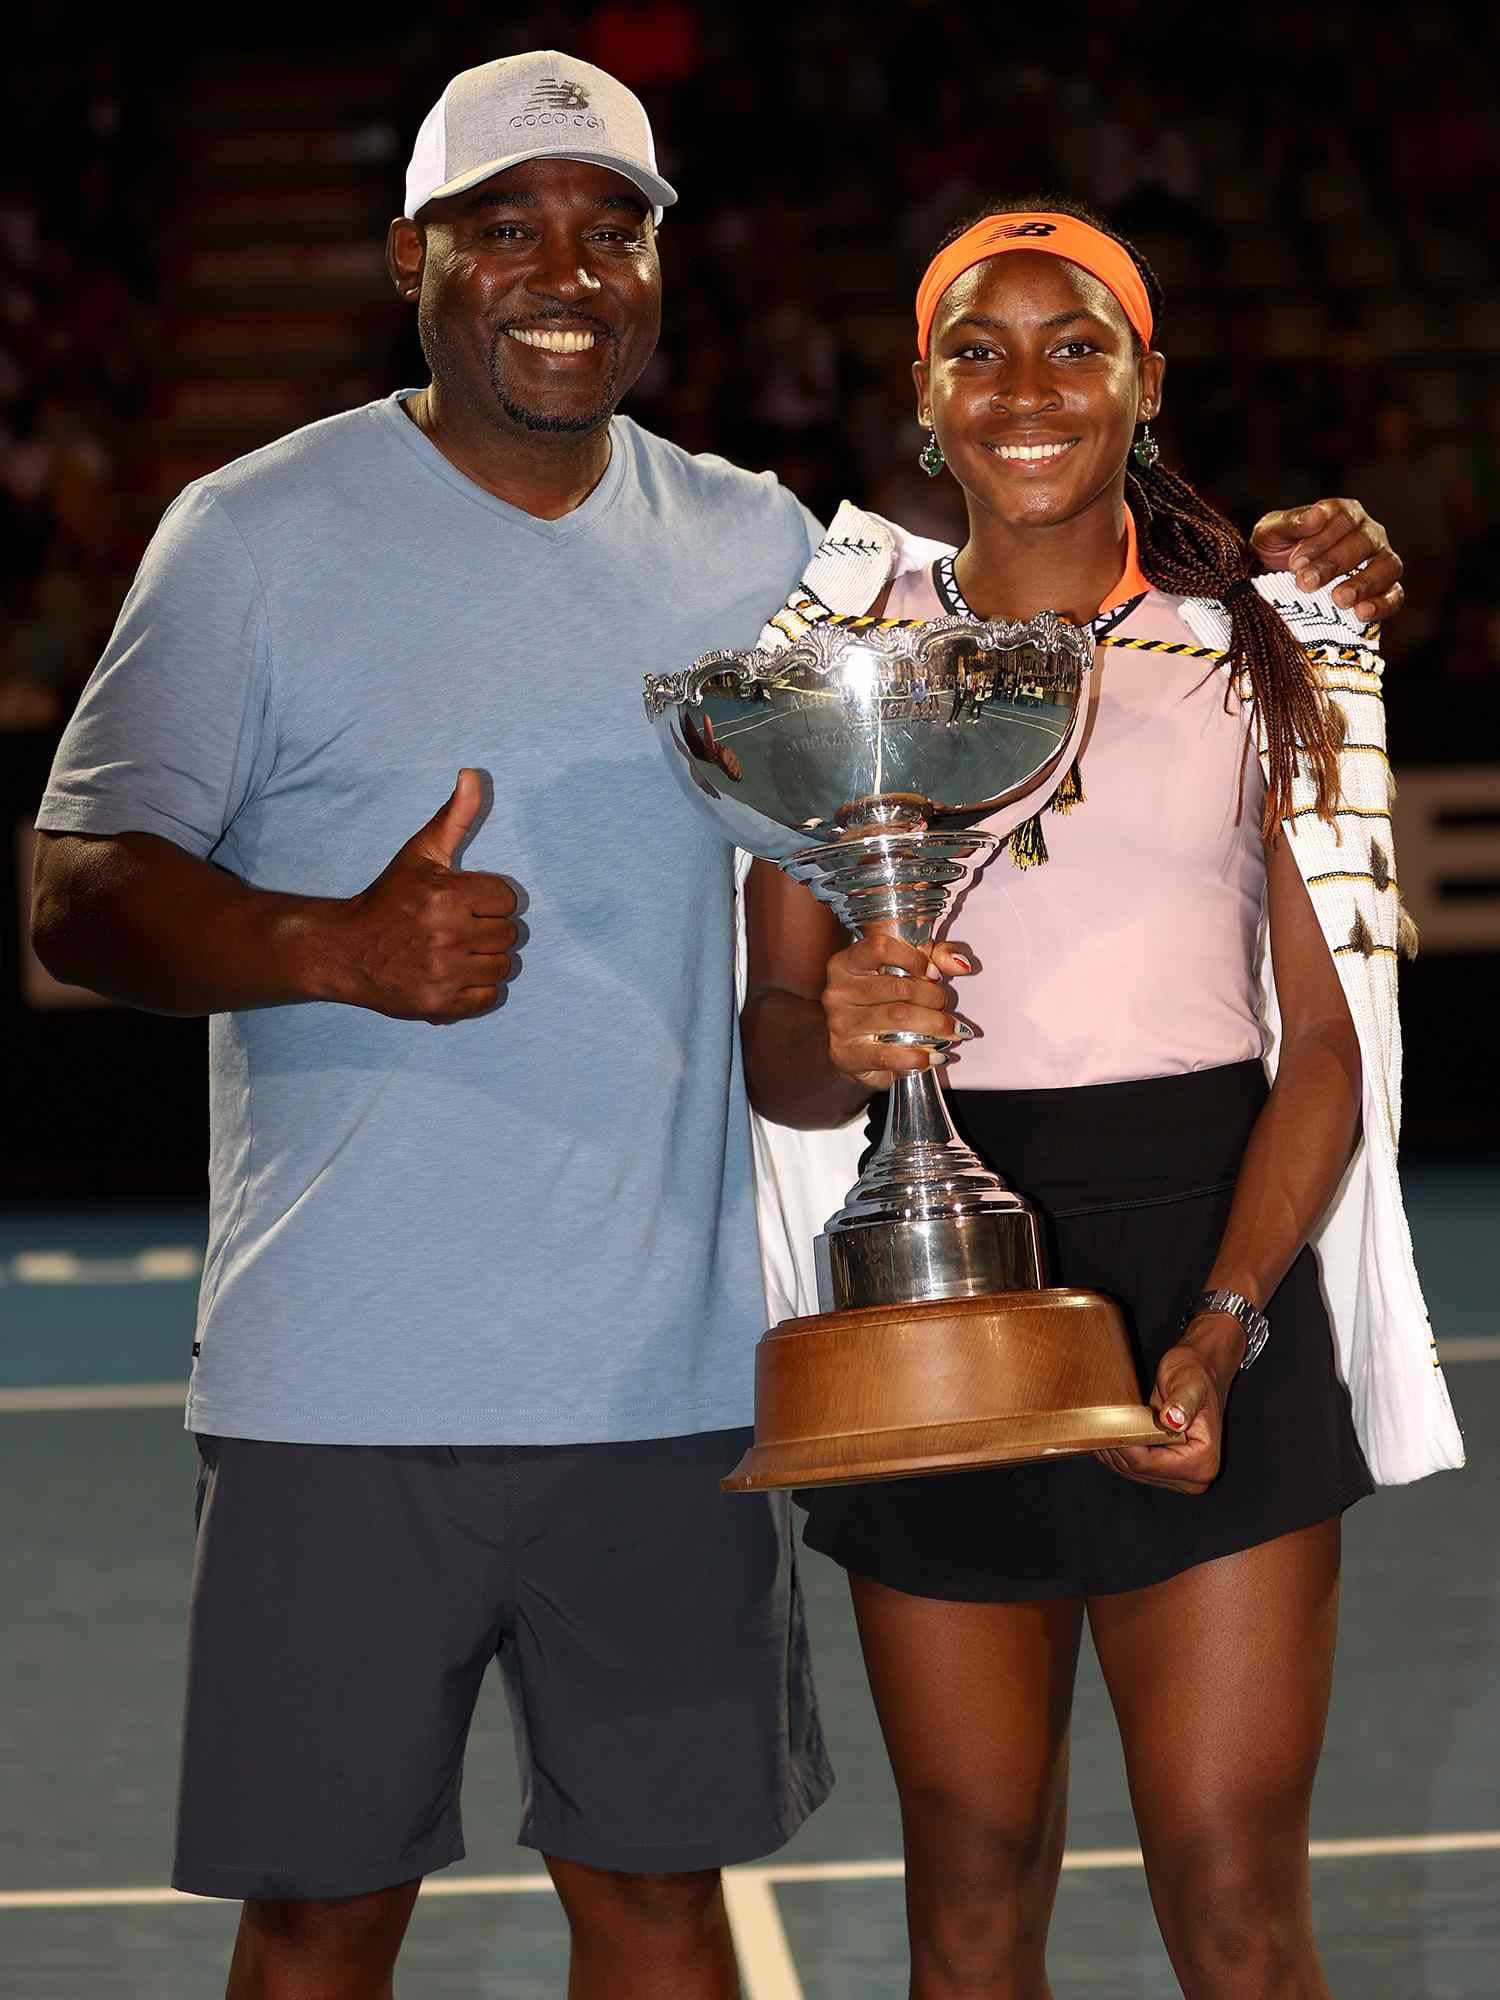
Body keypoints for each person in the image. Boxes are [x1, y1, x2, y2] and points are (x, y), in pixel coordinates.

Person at [28, 44, 1408, 1994]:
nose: (562, 267)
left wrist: (1306, 560)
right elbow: (74, 892)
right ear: (410, 253)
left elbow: (1039, 576)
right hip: (339, 1383)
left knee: (665, 1905)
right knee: (322, 1915)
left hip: (676, 1389)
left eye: (612, 227)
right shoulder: (246, 534)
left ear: (668, 265)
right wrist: (328, 944)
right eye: (504, 226)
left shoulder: (770, 552)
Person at [740, 199, 1463, 2000]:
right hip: (934, 1287)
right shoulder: (819, 650)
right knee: (972, 1894)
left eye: (1082, 344)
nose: (1030, 387)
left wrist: (1222, 1328)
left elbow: (1327, 1051)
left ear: (1149, 382)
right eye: (978, 349)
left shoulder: (1266, 648)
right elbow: (767, 1046)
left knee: (1233, 1895)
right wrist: (840, 1028)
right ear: (921, 397)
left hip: (1212, 1250)